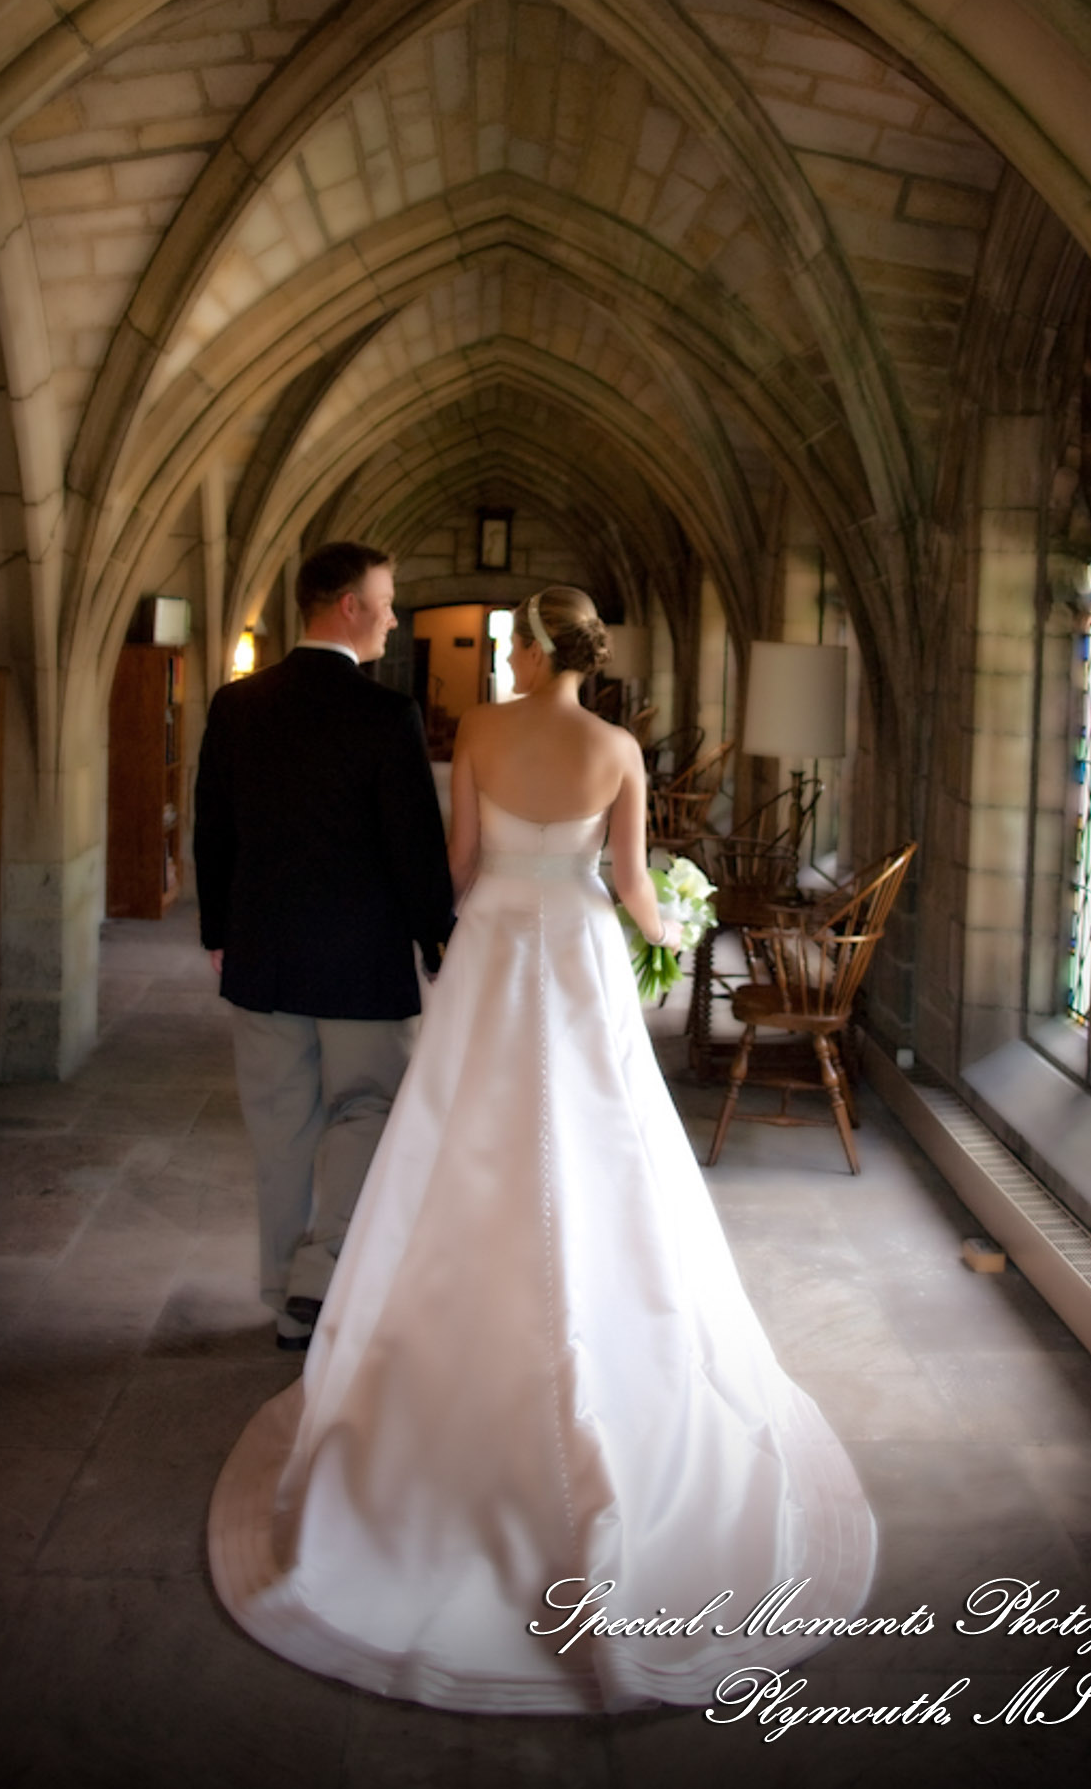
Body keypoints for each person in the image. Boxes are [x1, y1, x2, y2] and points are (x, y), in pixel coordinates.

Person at [207, 586, 876, 1710]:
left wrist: (461, 911)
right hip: (578, 956)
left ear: (526, 652)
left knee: (464, 1141)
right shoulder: (616, 747)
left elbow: (461, 869)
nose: (508, 653)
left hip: (494, 958)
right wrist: (679, 918)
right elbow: (627, 886)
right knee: (604, 1147)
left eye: (512, 640)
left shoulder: (477, 731)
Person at [193, 542, 453, 1352]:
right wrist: (438, 936)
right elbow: (412, 843)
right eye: (385, 599)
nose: (392, 615)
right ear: (347, 606)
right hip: (362, 960)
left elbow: (213, 830)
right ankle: (317, 1280)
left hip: (264, 953)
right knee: (368, 1113)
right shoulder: (386, 715)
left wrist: (217, 935)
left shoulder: (238, 705)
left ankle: (280, 1289)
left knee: (280, 1129)